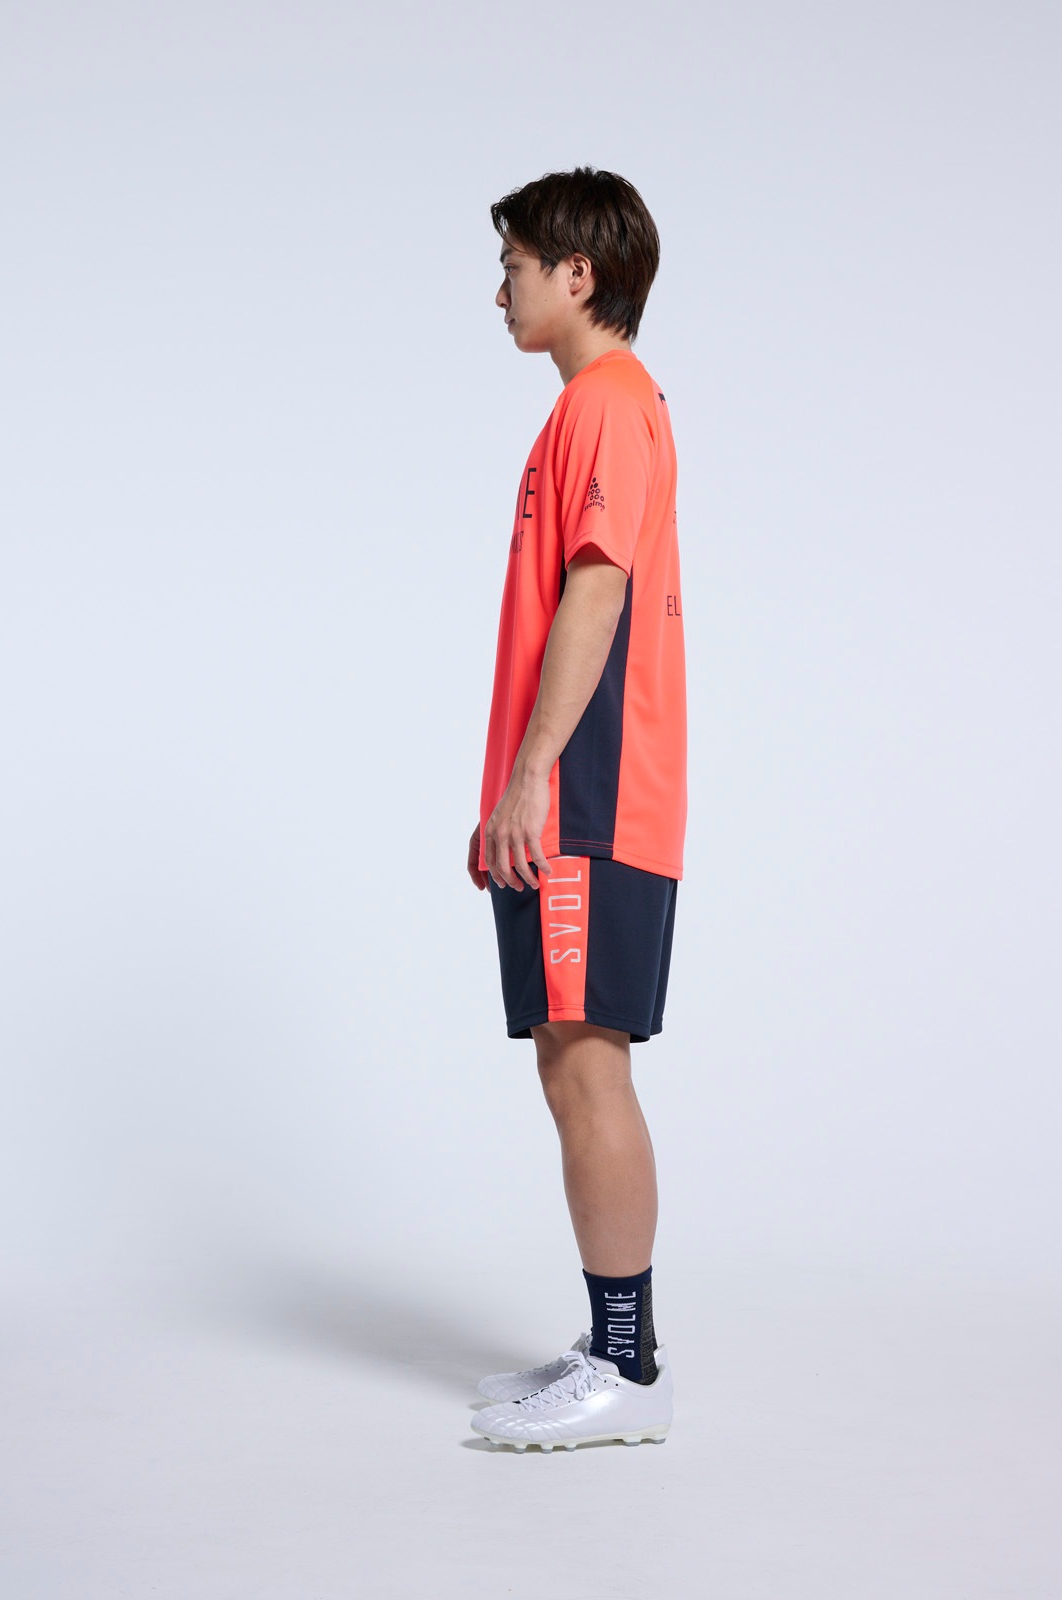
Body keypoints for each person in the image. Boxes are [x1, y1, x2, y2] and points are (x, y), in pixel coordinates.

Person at [467, 167, 687, 1452]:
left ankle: (627, 1372)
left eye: (512, 266)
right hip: (578, 789)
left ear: (576, 273)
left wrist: (536, 773)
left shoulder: (604, 403)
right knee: (570, 1059)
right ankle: (617, 1345)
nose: (498, 290)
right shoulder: (598, 407)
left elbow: (596, 595)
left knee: (587, 1065)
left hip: (593, 792)